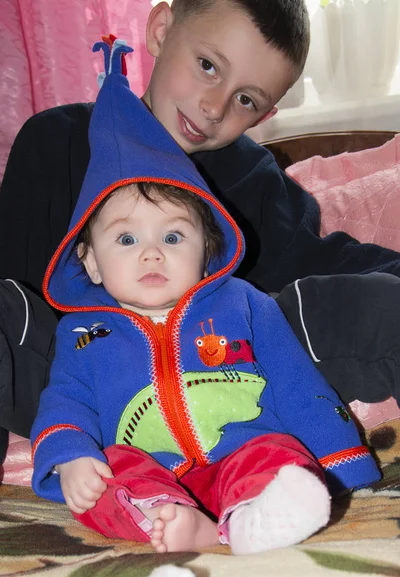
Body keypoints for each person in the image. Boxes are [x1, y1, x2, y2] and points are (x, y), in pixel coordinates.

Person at [2, 0, 400, 459]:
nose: (214, 107)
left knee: (381, 302)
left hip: (224, 376)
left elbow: (327, 265)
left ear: (264, 117)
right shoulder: (54, 141)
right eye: (208, 66)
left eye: (245, 100)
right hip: (80, 386)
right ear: (160, 29)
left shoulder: (252, 177)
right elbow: (17, 292)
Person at [30, 38, 380, 555]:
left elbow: (296, 384)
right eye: (126, 239)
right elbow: (66, 400)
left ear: (207, 246)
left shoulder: (243, 303)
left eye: (172, 238)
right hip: (150, 471)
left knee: (278, 452)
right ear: (90, 260)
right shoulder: (82, 332)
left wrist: (341, 462)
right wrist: (71, 453)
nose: (151, 254)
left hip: (239, 454)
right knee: (107, 475)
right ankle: (168, 520)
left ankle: (251, 519)